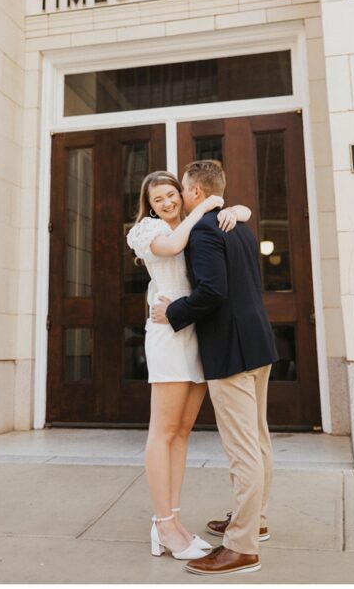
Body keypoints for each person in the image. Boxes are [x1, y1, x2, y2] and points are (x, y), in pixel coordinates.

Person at [150, 160, 278, 576]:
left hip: (231, 350)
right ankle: (253, 520)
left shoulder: (206, 229)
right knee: (257, 441)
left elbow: (212, 292)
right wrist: (237, 209)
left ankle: (241, 547)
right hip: (258, 344)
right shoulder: (237, 225)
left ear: (196, 193)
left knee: (243, 450)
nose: (179, 198)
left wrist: (173, 311)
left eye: (182, 191)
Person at [126, 170, 251, 560]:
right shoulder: (145, 232)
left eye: (171, 195)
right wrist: (210, 208)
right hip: (167, 330)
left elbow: (239, 214)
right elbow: (174, 245)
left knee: (182, 432)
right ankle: (163, 525)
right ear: (148, 205)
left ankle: (175, 520)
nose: (166, 203)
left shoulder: (193, 222)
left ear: (182, 195)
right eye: (157, 199)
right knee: (162, 432)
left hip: (196, 330)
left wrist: (235, 210)